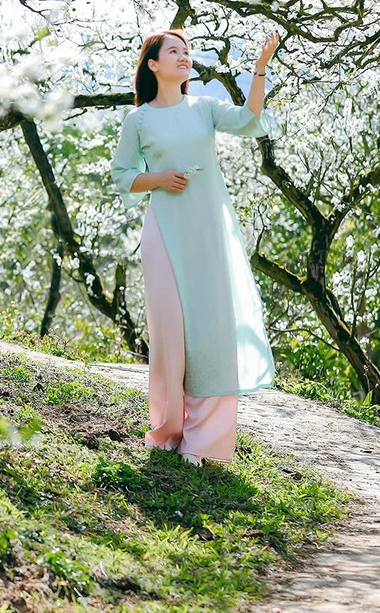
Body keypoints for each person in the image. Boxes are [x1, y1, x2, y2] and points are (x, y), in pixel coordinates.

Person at [110, 29, 281, 466]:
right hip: (164, 233)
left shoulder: (203, 107)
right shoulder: (139, 120)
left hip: (208, 231)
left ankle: (205, 443)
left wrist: (260, 66)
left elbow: (248, 118)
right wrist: (160, 179)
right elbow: (122, 176)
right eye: (174, 52)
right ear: (153, 64)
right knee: (171, 332)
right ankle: (168, 428)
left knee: (212, 330)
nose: (184, 57)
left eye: (186, 52)